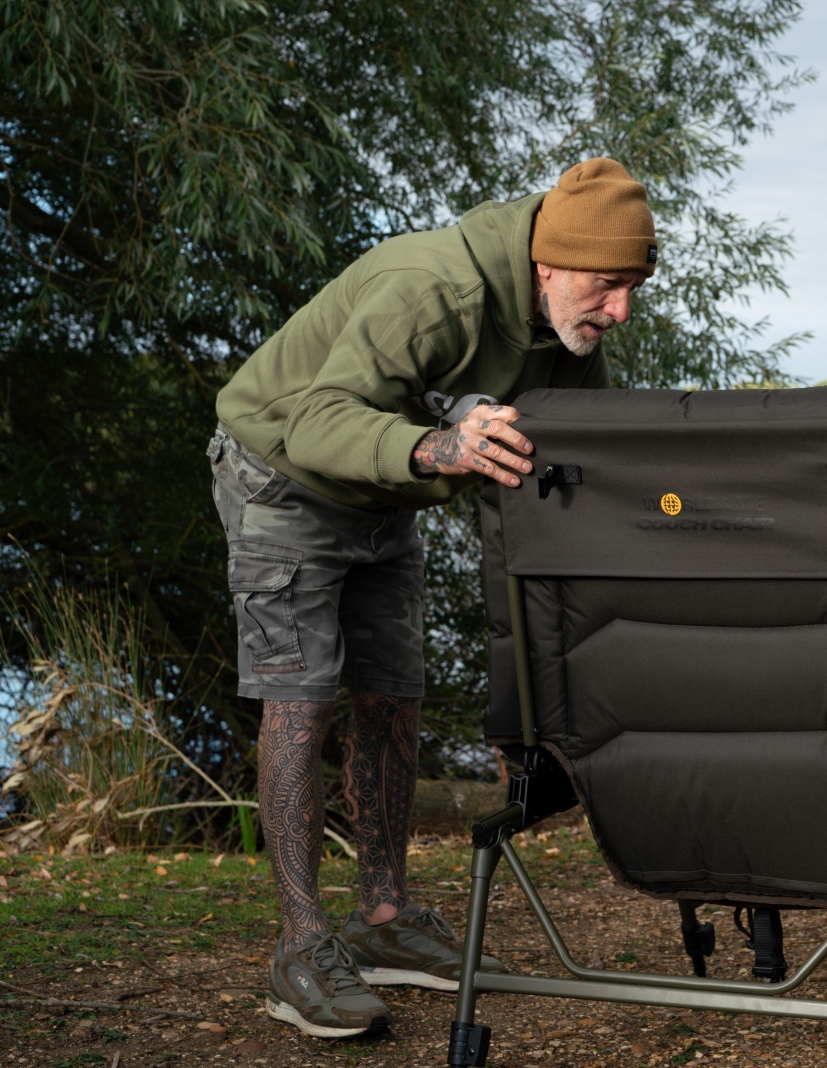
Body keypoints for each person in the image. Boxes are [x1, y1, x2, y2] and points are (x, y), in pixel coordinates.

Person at [208, 158, 657, 1038]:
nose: (621, 312)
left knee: (393, 694)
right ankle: (299, 950)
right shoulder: (434, 291)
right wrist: (438, 453)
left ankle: (382, 922)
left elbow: (572, 480)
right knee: (300, 702)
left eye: (634, 288)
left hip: (385, 495)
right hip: (283, 476)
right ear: (551, 264)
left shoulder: (565, 339)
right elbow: (316, 421)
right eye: (608, 287)